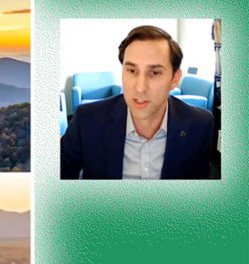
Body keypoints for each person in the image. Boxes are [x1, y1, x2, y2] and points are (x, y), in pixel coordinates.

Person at [60, 25, 214, 179]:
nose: (140, 88)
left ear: (174, 79)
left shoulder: (200, 124)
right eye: (132, 71)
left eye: (154, 73)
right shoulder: (86, 120)